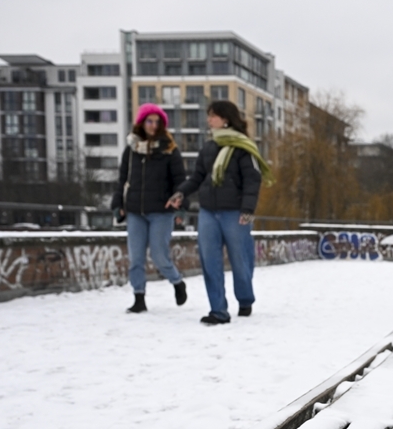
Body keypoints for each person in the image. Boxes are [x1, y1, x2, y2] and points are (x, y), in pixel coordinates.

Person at [169, 100, 273, 325]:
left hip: (235, 213)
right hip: (208, 212)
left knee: (241, 259)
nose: (209, 120)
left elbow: (252, 179)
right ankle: (218, 310)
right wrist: (180, 193)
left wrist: (247, 209)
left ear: (226, 118)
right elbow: (198, 177)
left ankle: (245, 299)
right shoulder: (208, 147)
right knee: (210, 261)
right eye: (209, 116)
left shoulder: (243, 147)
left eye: (213, 116)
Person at [111, 104, 188, 314]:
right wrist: (117, 204)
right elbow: (122, 180)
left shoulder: (169, 151)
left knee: (159, 256)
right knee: (135, 258)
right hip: (135, 211)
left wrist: (181, 207)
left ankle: (177, 282)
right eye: (149, 121)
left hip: (161, 212)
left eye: (157, 122)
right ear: (141, 123)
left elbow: (180, 180)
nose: (153, 125)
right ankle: (139, 297)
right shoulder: (131, 150)